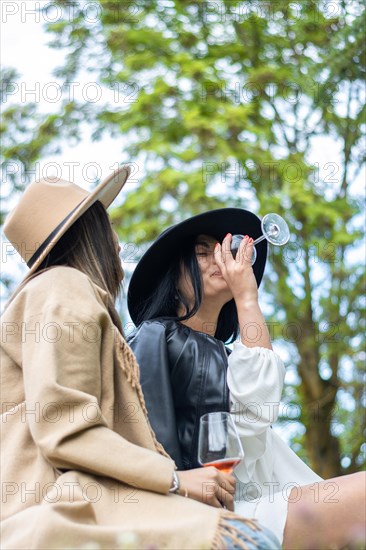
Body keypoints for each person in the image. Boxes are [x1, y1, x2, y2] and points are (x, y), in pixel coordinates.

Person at [1, 175, 279, 550]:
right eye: (107, 223)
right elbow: (66, 429)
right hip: (64, 506)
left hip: (92, 498)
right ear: (91, 231)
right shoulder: (63, 287)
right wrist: (178, 480)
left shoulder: (68, 296)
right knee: (251, 539)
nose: (117, 240)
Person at [127, 208, 366, 550]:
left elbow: (255, 403)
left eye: (223, 249)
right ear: (172, 274)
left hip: (260, 507)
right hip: (217, 519)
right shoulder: (157, 339)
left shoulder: (225, 355)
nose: (220, 258)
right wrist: (247, 297)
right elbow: (255, 410)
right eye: (201, 252)